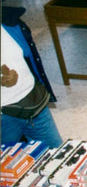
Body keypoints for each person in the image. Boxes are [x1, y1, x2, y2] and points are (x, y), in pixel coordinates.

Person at [2, 13, 62, 148]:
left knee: (55, 156)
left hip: (35, 106)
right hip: (4, 119)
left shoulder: (11, 22)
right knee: (7, 165)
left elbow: (31, 62)